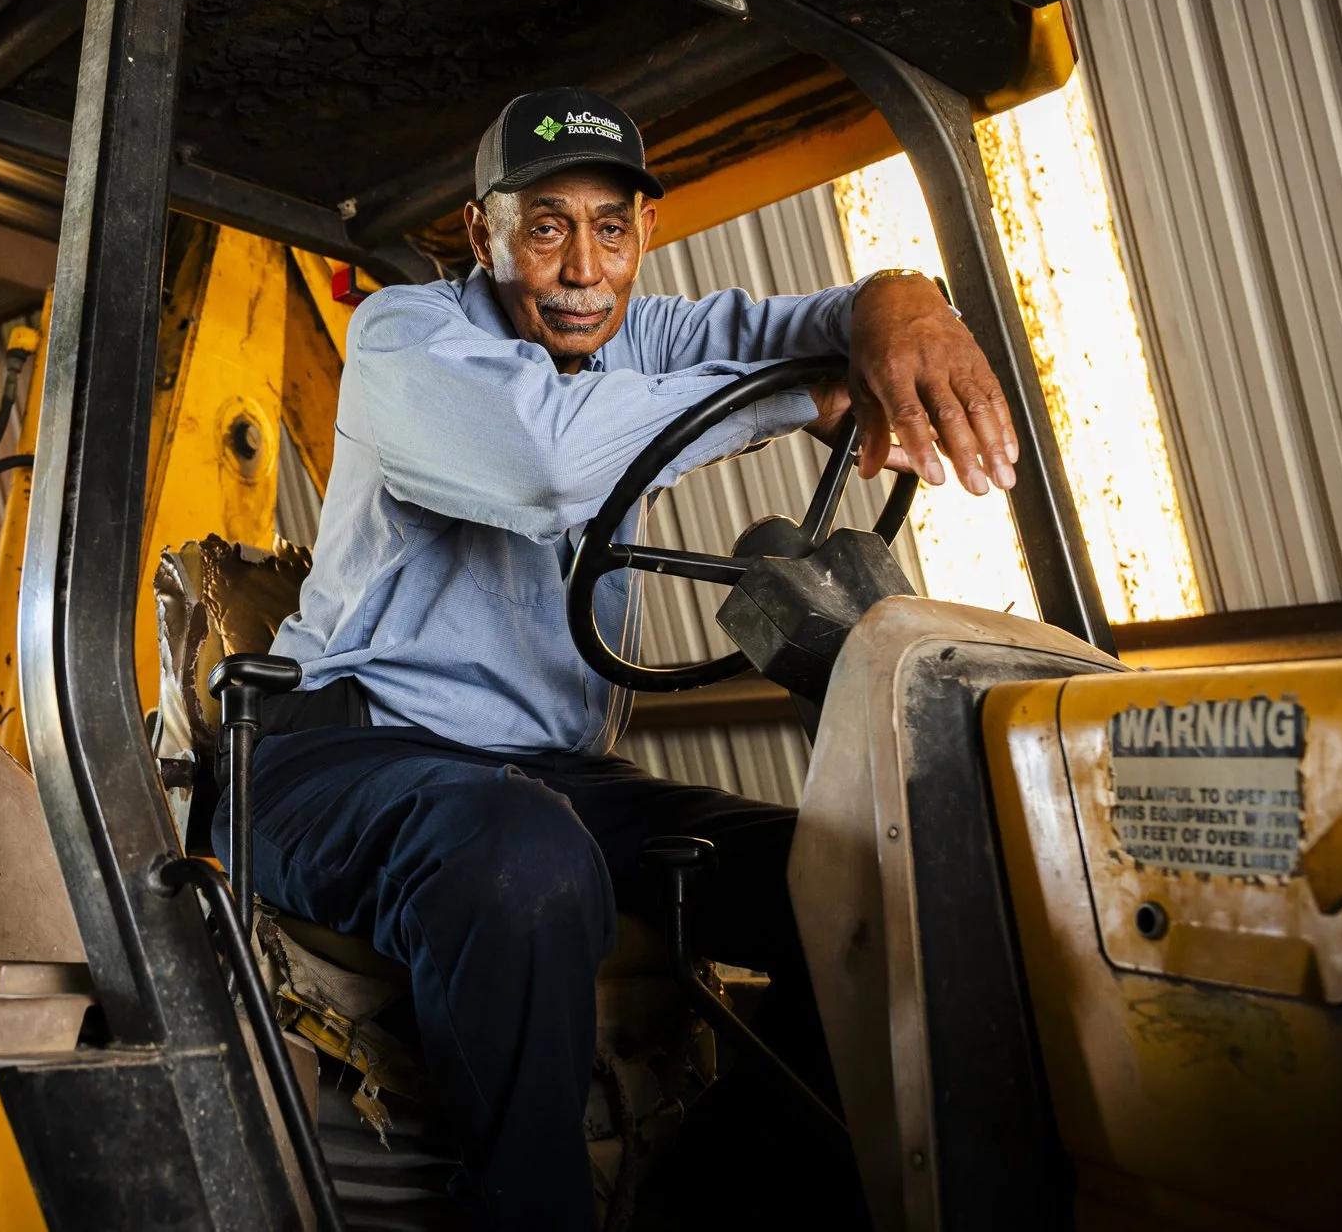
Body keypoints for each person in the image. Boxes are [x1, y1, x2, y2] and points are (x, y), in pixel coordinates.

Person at [219, 86, 1020, 1229]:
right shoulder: (406, 334)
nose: (579, 265)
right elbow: (543, 466)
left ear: (646, 230)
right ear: (481, 230)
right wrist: (797, 390)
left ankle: (714, 1199)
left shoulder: (638, 335)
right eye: (543, 226)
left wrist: (901, 305)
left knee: (870, 881)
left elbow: (830, 317)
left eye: (609, 225)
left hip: (551, 776)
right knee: (525, 859)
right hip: (346, 753)